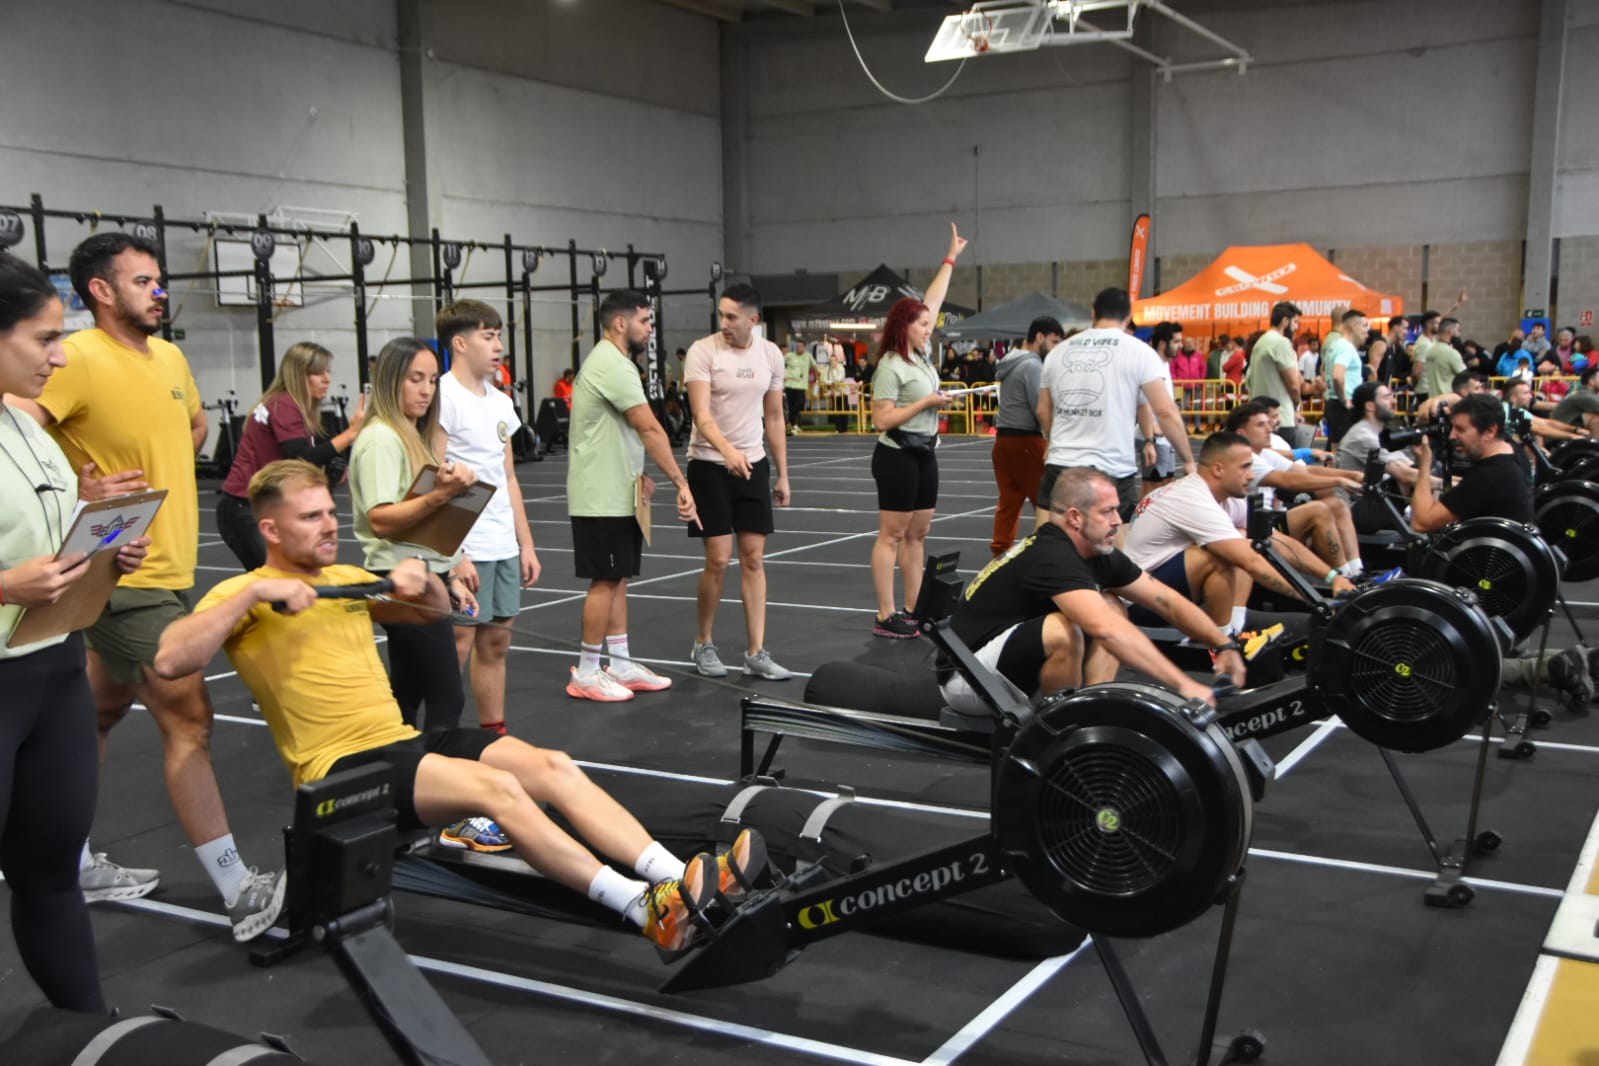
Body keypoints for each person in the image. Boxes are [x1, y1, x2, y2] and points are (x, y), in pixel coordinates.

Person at [155, 459, 761, 956]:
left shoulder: (341, 578)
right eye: (309, 517)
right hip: (339, 772)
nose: (328, 525)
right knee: (497, 792)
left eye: (328, 513)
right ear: (271, 530)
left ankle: (674, 875)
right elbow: (171, 658)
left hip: (400, 743)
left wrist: (424, 583)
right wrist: (260, 590)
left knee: (551, 766)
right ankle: (640, 909)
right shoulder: (241, 594)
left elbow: (433, 613)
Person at [14, 233, 283, 937]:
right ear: (100, 291)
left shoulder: (168, 356)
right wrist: (85, 486)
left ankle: (66, 856)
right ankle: (239, 890)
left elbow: (191, 425)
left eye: (159, 281)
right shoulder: (75, 358)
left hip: (166, 562)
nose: (158, 292)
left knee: (98, 712)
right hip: (118, 566)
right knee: (188, 717)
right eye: (143, 282)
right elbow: (24, 439)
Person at [0, 253, 151, 1011]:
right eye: (44, 338)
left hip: (54, 667)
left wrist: (105, 548)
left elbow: (53, 543)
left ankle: (91, 1032)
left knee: (51, 872)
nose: (60, 356)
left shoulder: (25, 427)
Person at [938, 467, 1246, 715]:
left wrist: (1223, 645)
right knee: (1063, 629)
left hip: (1010, 663)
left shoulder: (1097, 552)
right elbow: (1108, 632)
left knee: (1112, 604)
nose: (1117, 521)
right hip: (969, 679)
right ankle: (1063, 724)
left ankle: (1093, 707)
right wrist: (1185, 685)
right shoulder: (1052, 555)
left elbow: (1164, 600)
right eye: (1108, 512)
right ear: (1075, 517)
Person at [566, 290, 698, 698]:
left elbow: (619, 432)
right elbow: (650, 428)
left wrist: (637, 473)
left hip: (619, 489)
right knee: (604, 580)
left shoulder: (617, 364)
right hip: (599, 495)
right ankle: (587, 672)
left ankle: (619, 664)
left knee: (617, 577)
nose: (650, 328)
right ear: (620, 323)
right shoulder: (611, 364)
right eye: (645, 321)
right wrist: (681, 481)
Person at [350, 336, 478, 736]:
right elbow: (382, 520)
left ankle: (400, 781)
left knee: (407, 692)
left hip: (424, 575)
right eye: (415, 380)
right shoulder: (381, 439)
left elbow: (425, 522)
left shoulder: (410, 434)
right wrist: (443, 494)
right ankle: (433, 785)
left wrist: (452, 570)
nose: (426, 390)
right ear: (391, 381)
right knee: (446, 696)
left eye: (432, 381)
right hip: (404, 580)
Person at [1126, 433, 1355, 631]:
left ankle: (1234, 624)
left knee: (1246, 535)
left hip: (1171, 587)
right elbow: (1250, 561)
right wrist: (1314, 600)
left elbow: (1276, 540)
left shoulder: (1229, 497)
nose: (1252, 475)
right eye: (1245, 467)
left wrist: (1333, 578)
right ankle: (1225, 642)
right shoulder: (1193, 498)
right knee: (1223, 552)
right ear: (1218, 469)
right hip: (1141, 602)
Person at [436, 301, 541, 735]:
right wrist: (454, 555)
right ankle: (438, 737)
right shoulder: (443, 397)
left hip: (501, 542)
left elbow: (509, 476)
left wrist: (526, 544)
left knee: (496, 643)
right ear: (460, 343)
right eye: (488, 336)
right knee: (459, 643)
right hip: (466, 547)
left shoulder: (500, 401)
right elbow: (433, 484)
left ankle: (492, 736)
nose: (498, 345)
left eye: (499, 335)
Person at [681, 284, 793, 680]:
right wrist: (728, 451)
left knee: (753, 558)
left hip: (753, 464)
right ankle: (703, 642)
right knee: (717, 558)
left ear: (753, 320)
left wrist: (782, 472)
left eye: (732, 317)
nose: (723, 323)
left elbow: (775, 417)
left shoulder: (771, 356)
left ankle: (756, 651)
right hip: (710, 464)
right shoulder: (703, 351)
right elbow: (700, 414)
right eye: (721, 315)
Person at [868, 224, 967, 638]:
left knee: (919, 532)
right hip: (897, 455)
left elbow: (933, 298)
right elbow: (882, 420)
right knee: (892, 533)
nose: (930, 328)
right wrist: (927, 403)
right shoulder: (891, 365)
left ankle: (914, 607)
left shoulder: (922, 354)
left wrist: (950, 259)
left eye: (930, 324)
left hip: (926, 451)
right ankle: (886, 614)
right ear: (905, 326)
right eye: (923, 325)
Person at [1036, 288, 1194, 530]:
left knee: (1048, 544)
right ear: (1129, 316)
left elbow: (1043, 411)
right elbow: (1165, 411)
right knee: (1116, 553)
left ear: (1093, 312)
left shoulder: (1057, 353)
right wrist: (1189, 460)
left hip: (1062, 464)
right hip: (1112, 469)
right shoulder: (1140, 352)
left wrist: (1052, 439)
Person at [217, 341, 365, 570]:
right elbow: (301, 456)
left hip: (264, 505)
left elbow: (297, 460)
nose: (327, 379)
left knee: (290, 580)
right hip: (244, 507)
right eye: (317, 373)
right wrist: (351, 433)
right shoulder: (284, 404)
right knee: (277, 581)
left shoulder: (292, 407)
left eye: (327, 372)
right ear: (299, 376)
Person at [1225, 402, 1368, 579]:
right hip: (1255, 528)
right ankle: (1345, 578)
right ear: (1241, 434)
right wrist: (1338, 480)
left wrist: (1352, 475)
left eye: (1268, 424)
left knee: (1336, 504)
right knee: (1318, 510)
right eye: (1261, 425)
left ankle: (1357, 570)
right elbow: (1288, 480)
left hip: (1268, 519)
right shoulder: (1246, 457)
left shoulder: (1265, 453)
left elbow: (1306, 471)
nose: (1269, 429)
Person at [989, 315, 1063, 557]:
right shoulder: (1032, 365)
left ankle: (999, 556)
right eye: (1053, 342)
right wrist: (1054, 439)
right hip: (1026, 442)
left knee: (1009, 505)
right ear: (1039, 337)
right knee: (1047, 502)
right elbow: (1040, 407)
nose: (1054, 349)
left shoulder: (1009, 362)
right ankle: (1051, 555)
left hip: (1003, 442)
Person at [1243, 301, 1303, 430]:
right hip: (1282, 418)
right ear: (1285, 321)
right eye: (1296, 322)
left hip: (1262, 418)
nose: (1297, 327)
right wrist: (1296, 405)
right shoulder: (1281, 342)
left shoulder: (1260, 342)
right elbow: (1293, 385)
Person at [1321, 309, 1369, 445]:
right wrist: (1344, 400)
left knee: (1337, 449)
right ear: (1354, 326)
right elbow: (1337, 375)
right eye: (1364, 326)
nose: (1367, 331)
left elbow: (1323, 369)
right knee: (1347, 449)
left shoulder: (1335, 345)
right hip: (1343, 407)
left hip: (1334, 403)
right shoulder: (1345, 347)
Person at [1417, 318, 1466, 402]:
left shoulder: (1431, 350)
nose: (1459, 334)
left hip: (1432, 399)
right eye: (1458, 330)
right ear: (1451, 331)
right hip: (1447, 401)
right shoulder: (1451, 353)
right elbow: (1466, 376)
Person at [1548, 364, 1599, 436]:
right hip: (1559, 437)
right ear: (1591, 381)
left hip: (1566, 432)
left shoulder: (1582, 393)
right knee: (1597, 419)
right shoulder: (1585, 396)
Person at [782, 342, 811, 435]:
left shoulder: (808, 356)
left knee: (800, 403)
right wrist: (783, 375)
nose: (799, 348)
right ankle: (792, 425)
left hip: (801, 385)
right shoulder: (789, 356)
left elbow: (815, 366)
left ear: (805, 347)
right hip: (790, 385)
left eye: (801, 346)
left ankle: (792, 424)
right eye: (798, 346)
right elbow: (779, 363)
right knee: (790, 406)